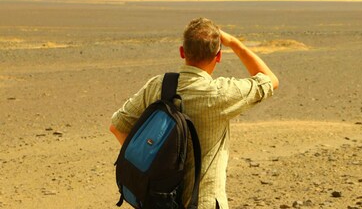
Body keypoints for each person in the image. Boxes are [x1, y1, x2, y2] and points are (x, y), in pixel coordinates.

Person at [110, 17, 279, 209]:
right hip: (204, 202)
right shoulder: (221, 93)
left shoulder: (159, 85)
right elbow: (270, 80)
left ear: (182, 52)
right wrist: (235, 44)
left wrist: (150, 166)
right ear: (219, 56)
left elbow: (117, 126)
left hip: (159, 201)